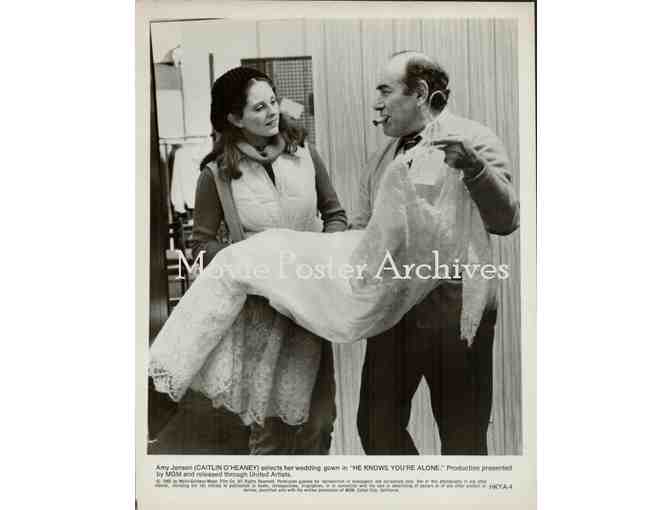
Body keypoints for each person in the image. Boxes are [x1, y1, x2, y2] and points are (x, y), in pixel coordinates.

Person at [152, 66, 347, 455]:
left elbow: (335, 214)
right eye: (259, 107)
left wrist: (324, 254)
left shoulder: (306, 154)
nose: (272, 111)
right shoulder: (216, 174)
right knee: (270, 430)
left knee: (320, 422)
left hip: (311, 304)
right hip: (260, 311)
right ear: (234, 118)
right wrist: (251, 262)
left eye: (273, 101)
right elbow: (201, 245)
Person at [352, 51, 519, 455]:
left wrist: (474, 168)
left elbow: (506, 220)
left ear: (420, 93)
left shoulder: (475, 139)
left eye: (385, 91)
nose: (375, 103)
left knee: (463, 439)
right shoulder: (381, 159)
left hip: (455, 309)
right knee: (375, 426)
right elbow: (364, 230)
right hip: (393, 312)